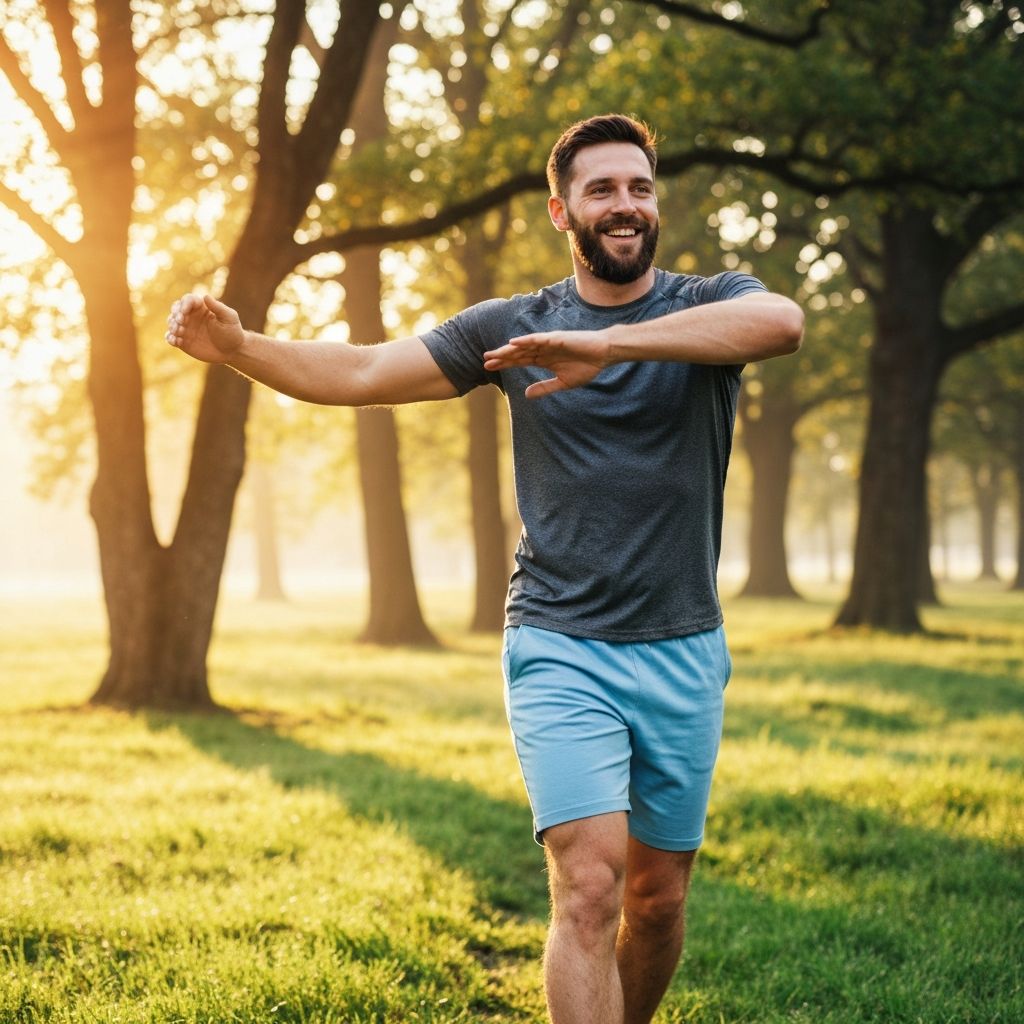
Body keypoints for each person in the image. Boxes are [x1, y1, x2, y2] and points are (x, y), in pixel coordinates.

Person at [166, 113, 803, 1024]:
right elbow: (362, 371)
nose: (625, 205)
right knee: (590, 887)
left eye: (639, 187)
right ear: (562, 211)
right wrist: (239, 348)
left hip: (683, 645)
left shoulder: (711, 303)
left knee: (656, 900)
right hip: (559, 641)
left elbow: (782, 323)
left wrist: (610, 346)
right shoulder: (514, 326)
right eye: (601, 190)